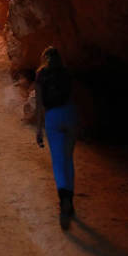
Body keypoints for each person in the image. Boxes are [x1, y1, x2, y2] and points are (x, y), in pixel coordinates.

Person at [35, 46, 77, 230]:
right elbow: (74, 95)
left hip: (52, 117)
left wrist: (38, 129)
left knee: (58, 162)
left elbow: (39, 104)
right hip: (69, 114)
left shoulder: (41, 75)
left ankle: (63, 200)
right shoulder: (66, 73)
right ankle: (71, 201)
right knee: (68, 159)